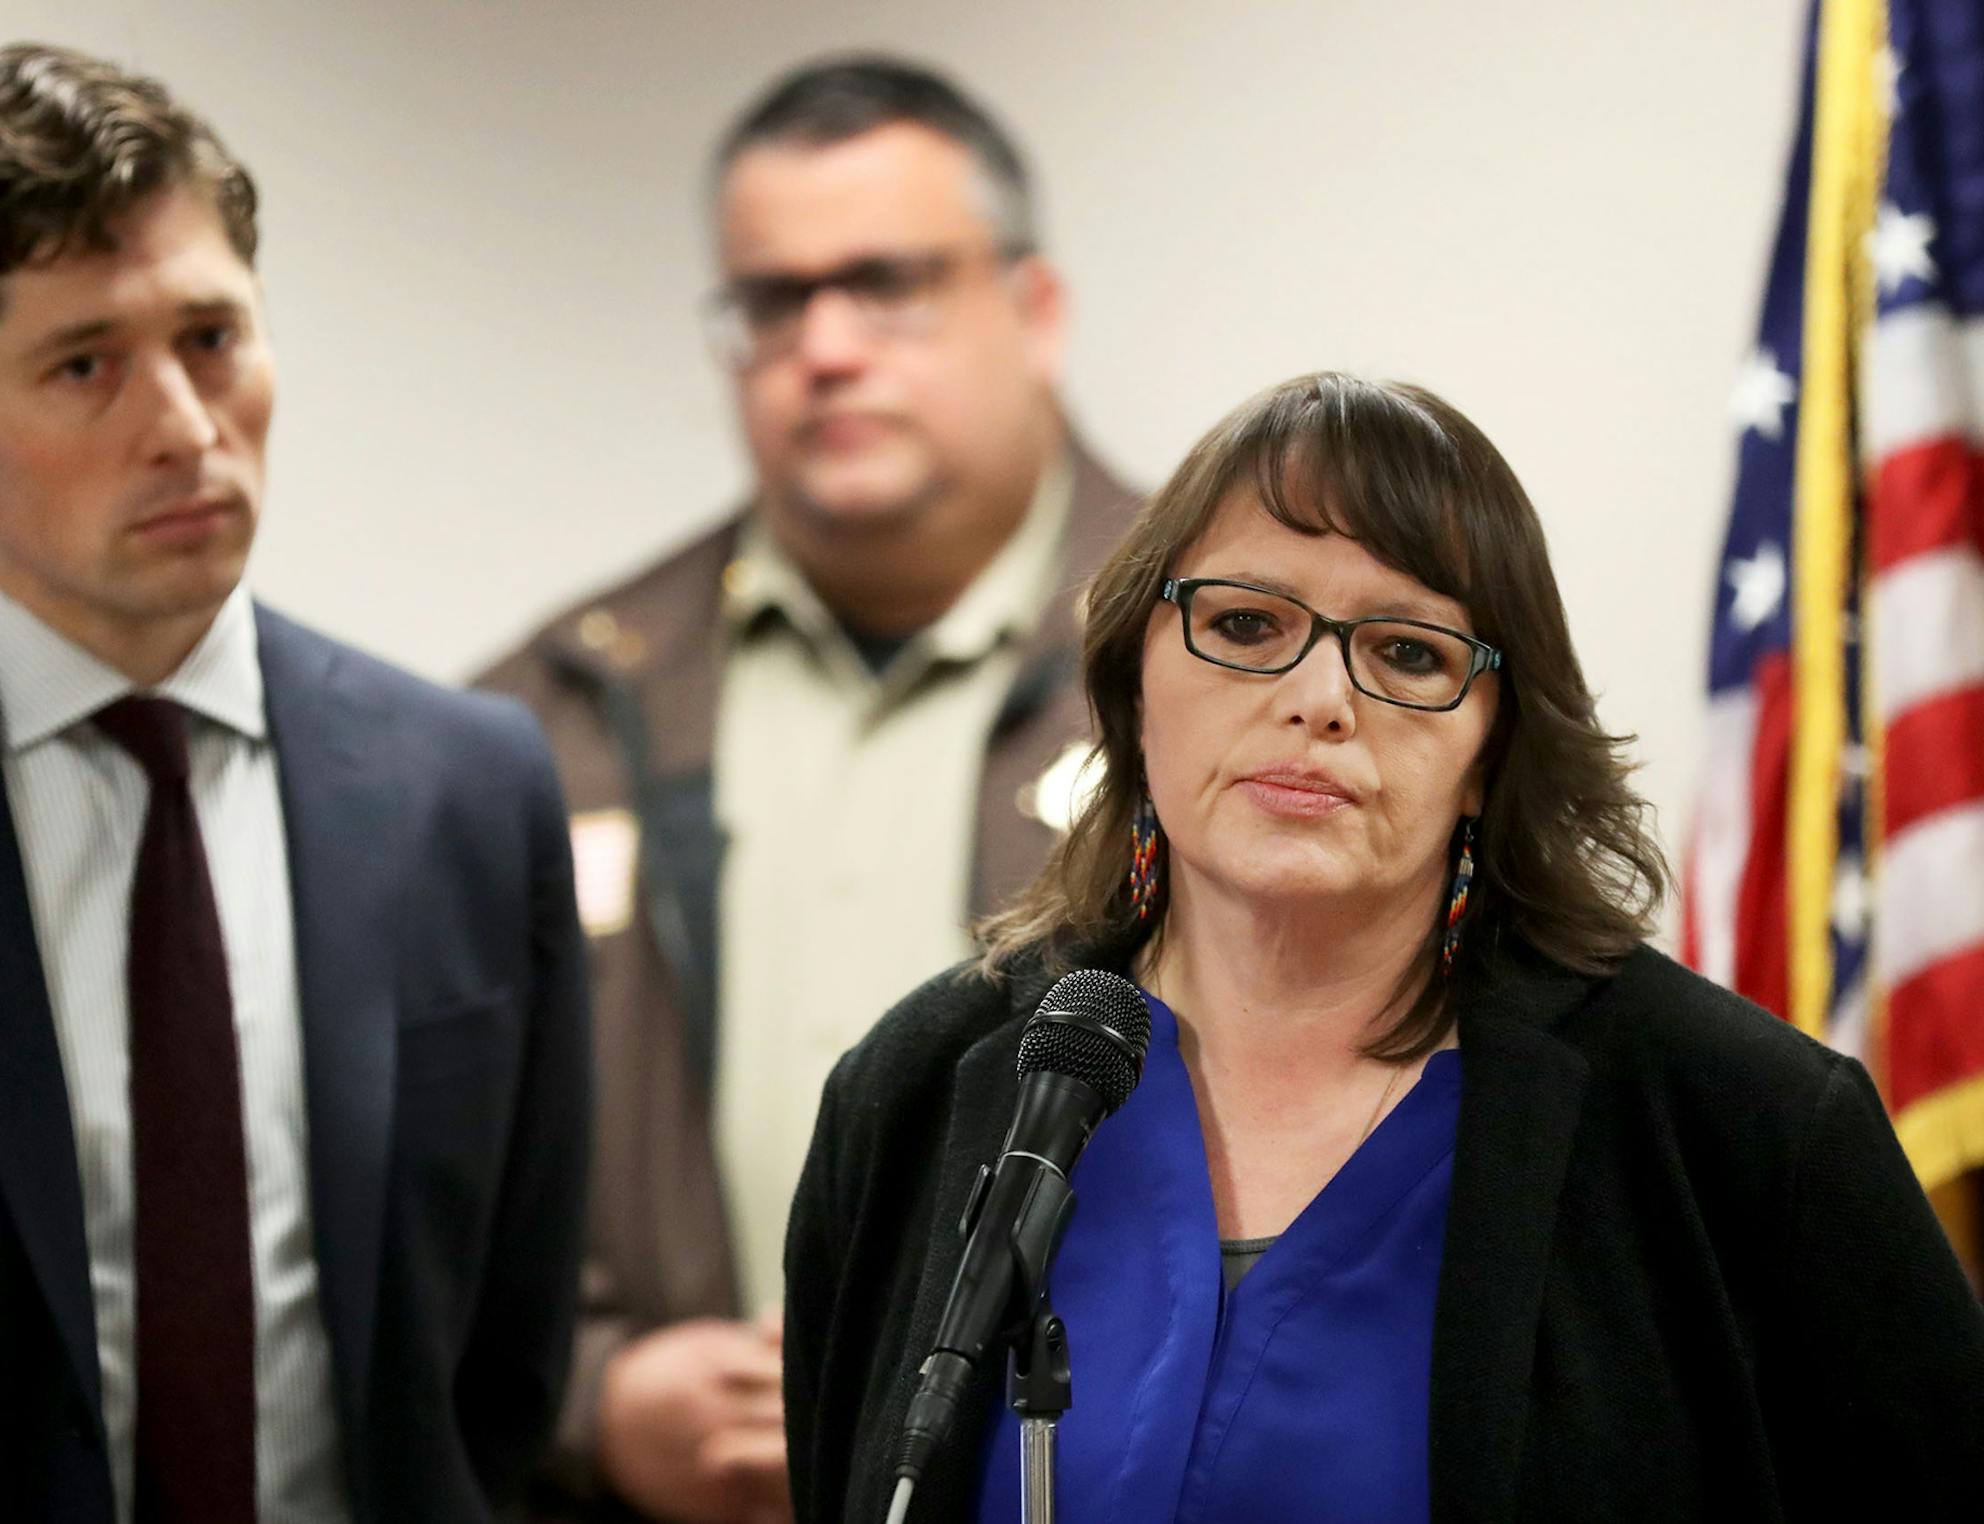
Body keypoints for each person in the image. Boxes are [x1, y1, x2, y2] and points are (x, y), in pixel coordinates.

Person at [781, 373, 1984, 1521]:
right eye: (1247, 624)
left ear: (1493, 751)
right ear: (1132, 686)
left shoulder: (1742, 1132)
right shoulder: (923, 1089)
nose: (1319, 697)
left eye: (1409, 652)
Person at [0, 44, 590, 1522]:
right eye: (86, 364)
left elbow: (501, 1363)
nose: (181, 425)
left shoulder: (471, 789)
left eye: (213, 337)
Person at [479, 55, 1136, 1523]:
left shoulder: (1227, 672)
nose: (825, 346)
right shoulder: (552, 718)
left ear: (1035, 312)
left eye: (888, 283)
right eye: (772, 302)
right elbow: (407, 1192)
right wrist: (591, 1397)